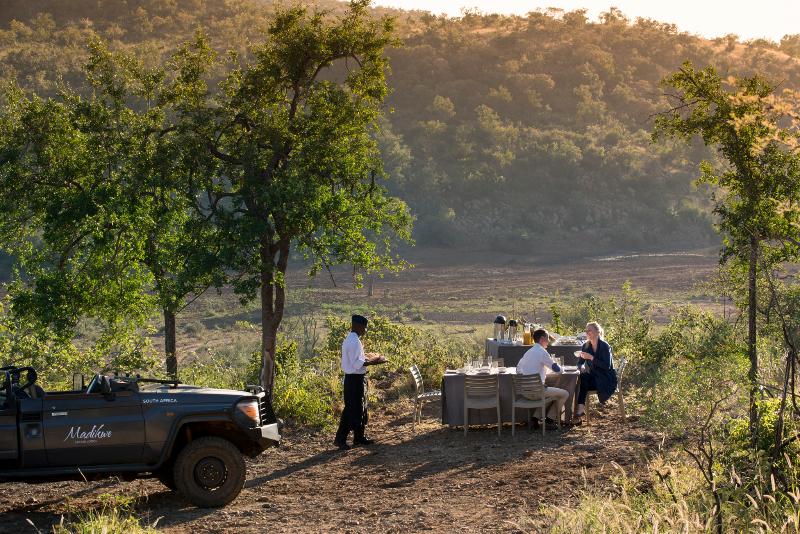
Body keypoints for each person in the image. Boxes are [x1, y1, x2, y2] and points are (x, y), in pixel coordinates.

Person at [334, 314, 386, 450]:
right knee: (351, 410)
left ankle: (359, 437)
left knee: (361, 408)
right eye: (365, 327)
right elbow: (357, 364)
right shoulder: (354, 341)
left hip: (356, 379)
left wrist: (367, 358)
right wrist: (374, 361)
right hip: (354, 380)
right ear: (358, 326)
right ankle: (340, 439)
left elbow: (357, 359)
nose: (366, 330)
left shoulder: (353, 339)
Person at [516, 328, 569, 428]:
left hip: (524, 392)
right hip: (537, 392)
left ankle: (535, 419)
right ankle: (550, 419)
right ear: (542, 339)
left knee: (548, 394)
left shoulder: (528, 352)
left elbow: (518, 370)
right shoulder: (542, 352)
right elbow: (558, 370)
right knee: (564, 394)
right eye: (547, 338)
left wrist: (531, 377)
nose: (548, 341)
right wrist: (561, 368)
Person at [575, 321, 617, 423]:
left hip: (606, 379)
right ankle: (580, 410)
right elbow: (579, 363)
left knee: (583, 382)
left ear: (597, 332)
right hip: (595, 378)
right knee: (582, 378)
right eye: (586, 330)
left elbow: (606, 366)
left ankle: (579, 412)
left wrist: (591, 358)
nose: (587, 332)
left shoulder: (604, 346)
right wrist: (581, 367)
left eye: (590, 330)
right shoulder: (586, 346)